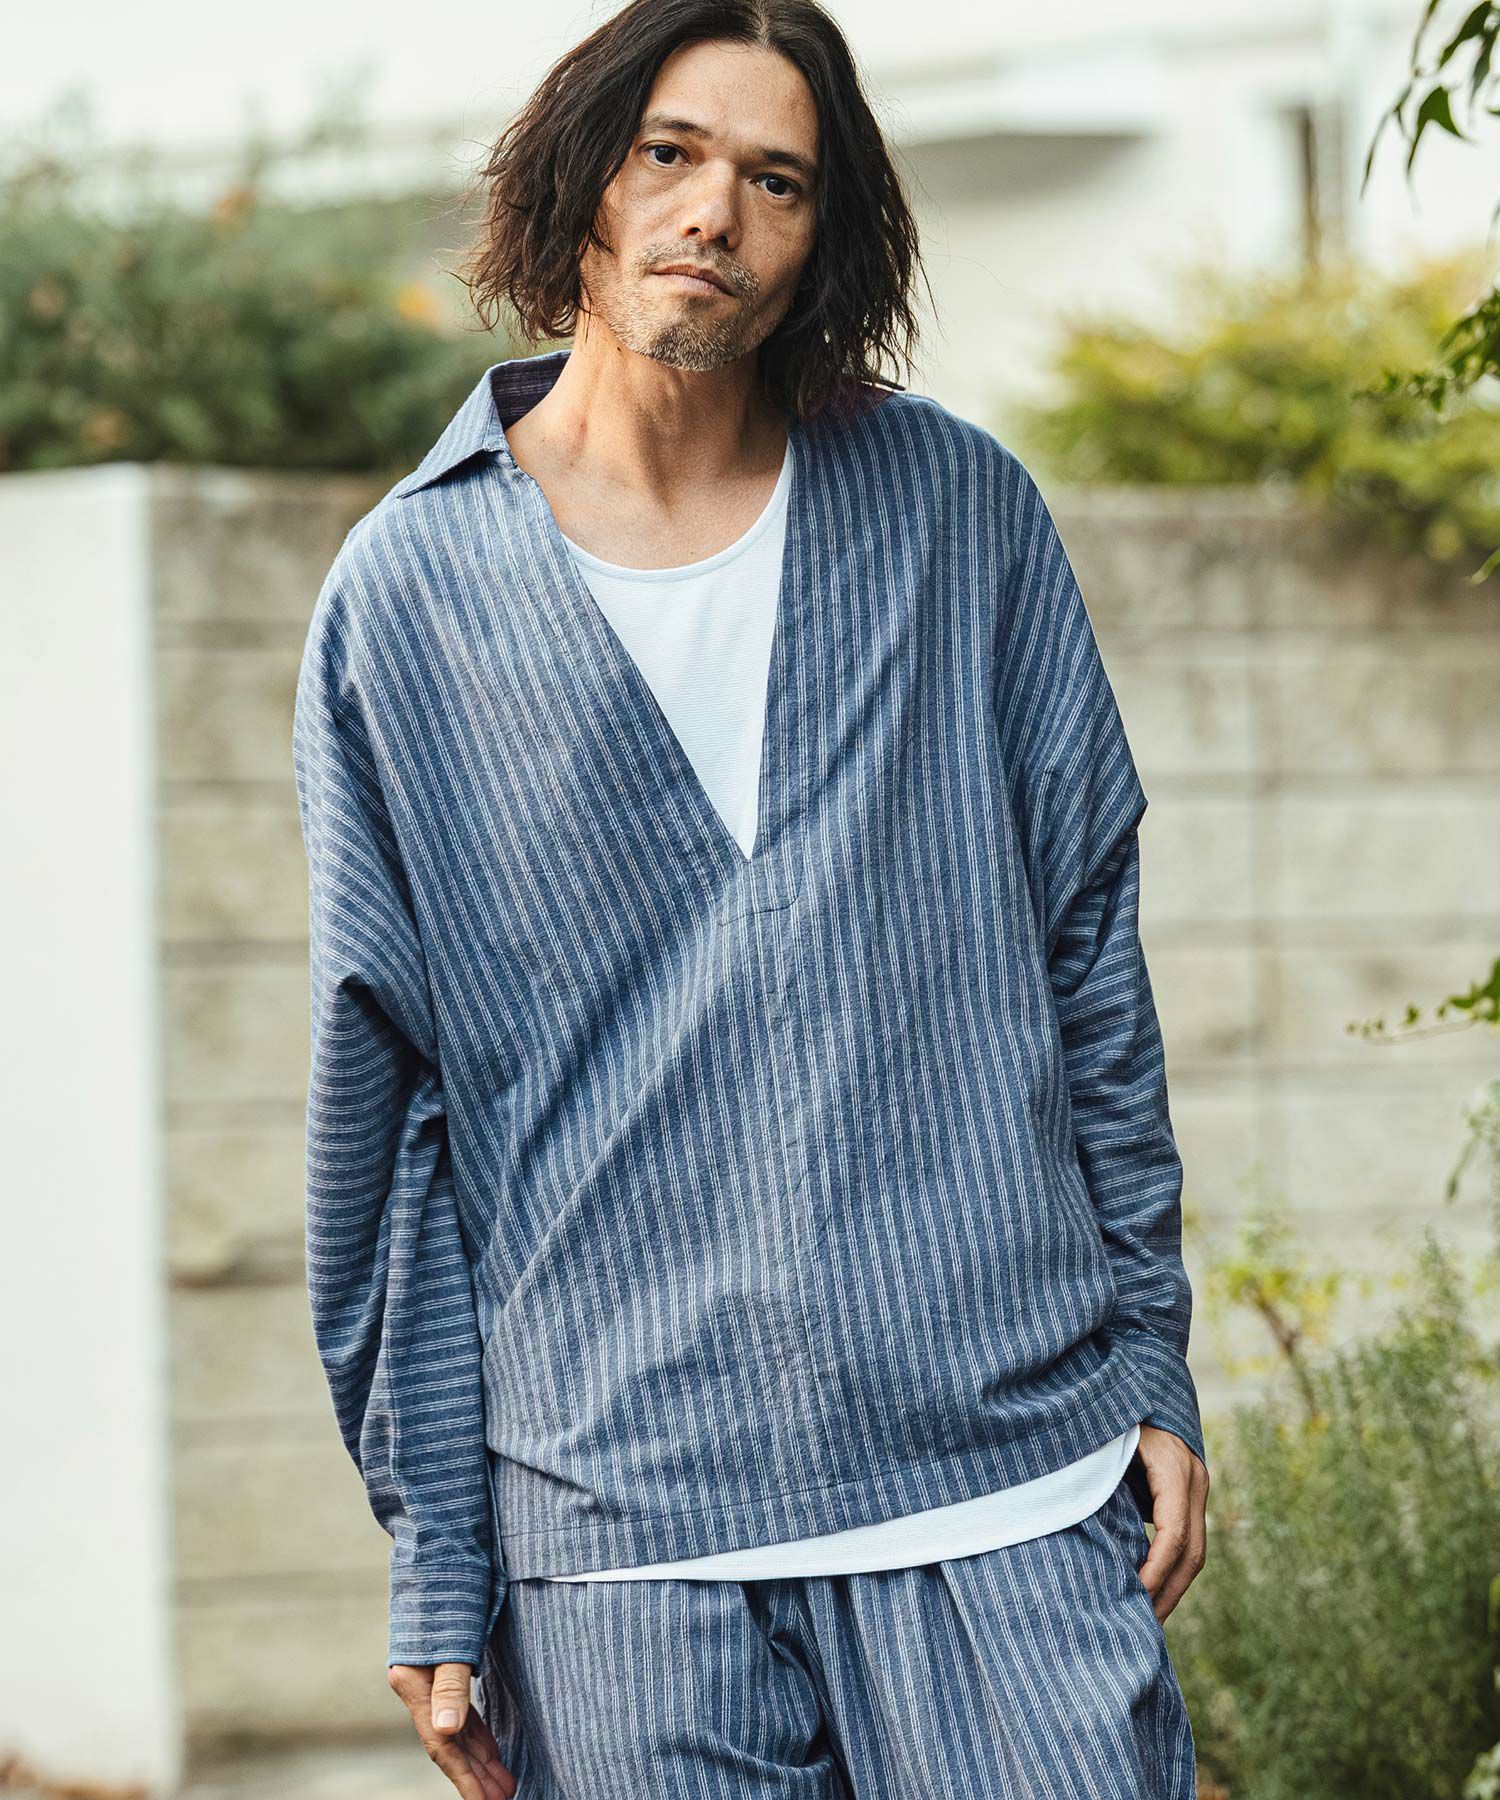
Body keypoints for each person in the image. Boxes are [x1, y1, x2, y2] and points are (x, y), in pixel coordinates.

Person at [290, 1, 1210, 1794]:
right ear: (583, 180)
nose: (714, 211)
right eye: (671, 154)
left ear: (819, 240)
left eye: (777, 180)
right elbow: (387, 1117)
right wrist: (439, 1544)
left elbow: (1089, 958)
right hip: (626, 1540)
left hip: (1005, 1486)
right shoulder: (407, 600)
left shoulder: (957, 516)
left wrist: (1152, 1364)